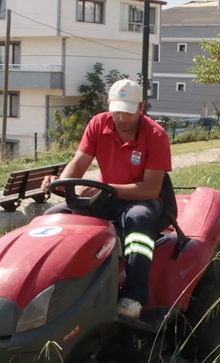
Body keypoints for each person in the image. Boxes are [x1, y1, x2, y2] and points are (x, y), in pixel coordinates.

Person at [42, 79, 172, 320]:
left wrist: (106, 188)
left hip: (139, 200)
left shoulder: (156, 135)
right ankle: (51, 288)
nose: (122, 117)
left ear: (141, 107)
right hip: (107, 196)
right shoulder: (98, 124)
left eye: (128, 111)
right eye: (117, 110)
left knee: (138, 220)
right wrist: (60, 183)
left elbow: (151, 189)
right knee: (53, 218)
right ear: (108, 104)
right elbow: (79, 163)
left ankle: (133, 297)